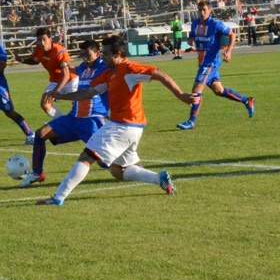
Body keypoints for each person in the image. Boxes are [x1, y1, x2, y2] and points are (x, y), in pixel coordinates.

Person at [37, 35, 194, 206]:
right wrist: (61, 96)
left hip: (123, 127)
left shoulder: (129, 69)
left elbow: (159, 74)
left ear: (118, 54)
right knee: (118, 170)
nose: (102, 58)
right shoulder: (109, 73)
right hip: (129, 128)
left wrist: (181, 95)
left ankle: (58, 198)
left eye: (105, 54)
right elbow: (88, 93)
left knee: (86, 157)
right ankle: (160, 179)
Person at [20, 39, 108, 188]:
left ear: (98, 53)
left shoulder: (105, 68)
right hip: (73, 118)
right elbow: (70, 71)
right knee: (41, 134)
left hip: (92, 120)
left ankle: (132, 168)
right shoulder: (83, 68)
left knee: (107, 163)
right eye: (82, 53)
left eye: (88, 53)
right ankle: (37, 174)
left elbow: (88, 92)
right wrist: (62, 67)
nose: (84, 56)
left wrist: (59, 94)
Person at [177, 0, 255, 131]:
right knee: (219, 90)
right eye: (200, 10)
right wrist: (190, 40)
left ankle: (191, 121)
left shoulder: (216, 24)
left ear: (210, 11)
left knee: (196, 90)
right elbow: (191, 37)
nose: (202, 13)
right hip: (202, 61)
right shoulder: (195, 23)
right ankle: (247, 100)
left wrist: (229, 51)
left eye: (204, 10)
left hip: (211, 62)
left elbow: (232, 34)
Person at [16, 27, 79, 118]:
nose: (41, 42)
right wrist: (22, 60)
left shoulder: (59, 51)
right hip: (55, 81)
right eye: (39, 40)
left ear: (50, 39)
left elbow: (66, 75)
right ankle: (62, 122)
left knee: (78, 106)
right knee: (45, 104)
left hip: (70, 81)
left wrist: (55, 91)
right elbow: (35, 60)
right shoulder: (39, 49)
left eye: (44, 39)